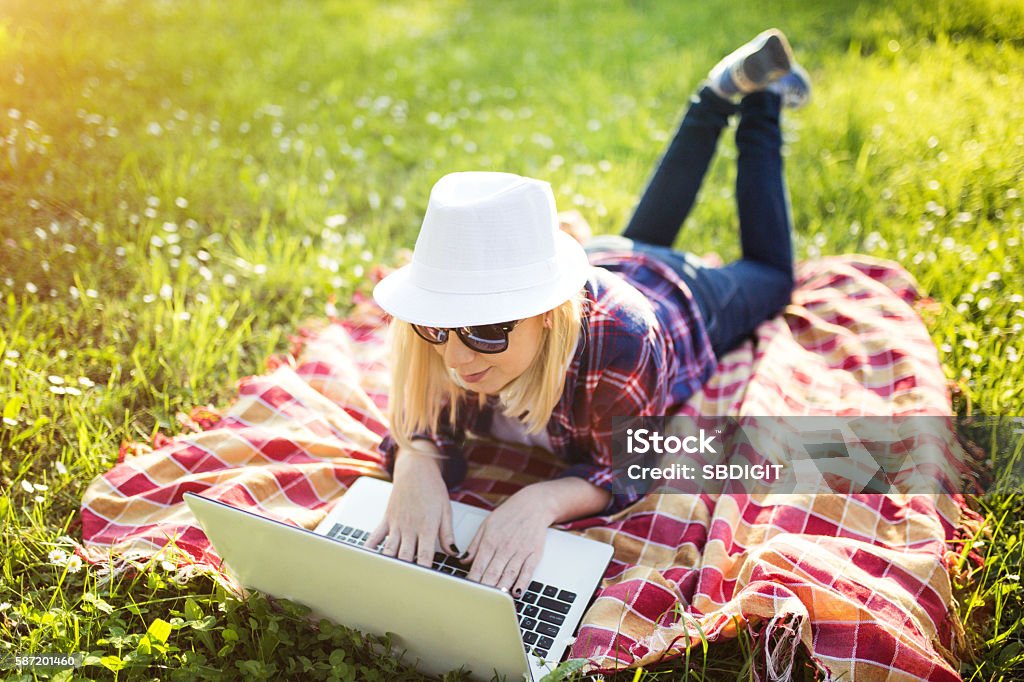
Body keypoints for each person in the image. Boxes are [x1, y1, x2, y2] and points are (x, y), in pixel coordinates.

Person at [367, 29, 811, 598]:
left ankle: (760, 101)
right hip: (601, 260)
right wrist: (414, 464)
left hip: (678, 297)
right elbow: (422, 421)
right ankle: (713, 96)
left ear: (548, 314)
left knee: (772, 278)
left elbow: (628, 464)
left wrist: (542, 499)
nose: (454, 357)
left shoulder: (624, 343)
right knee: (637, 238)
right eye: (436, 325)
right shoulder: (441, 337)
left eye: (484, 330)